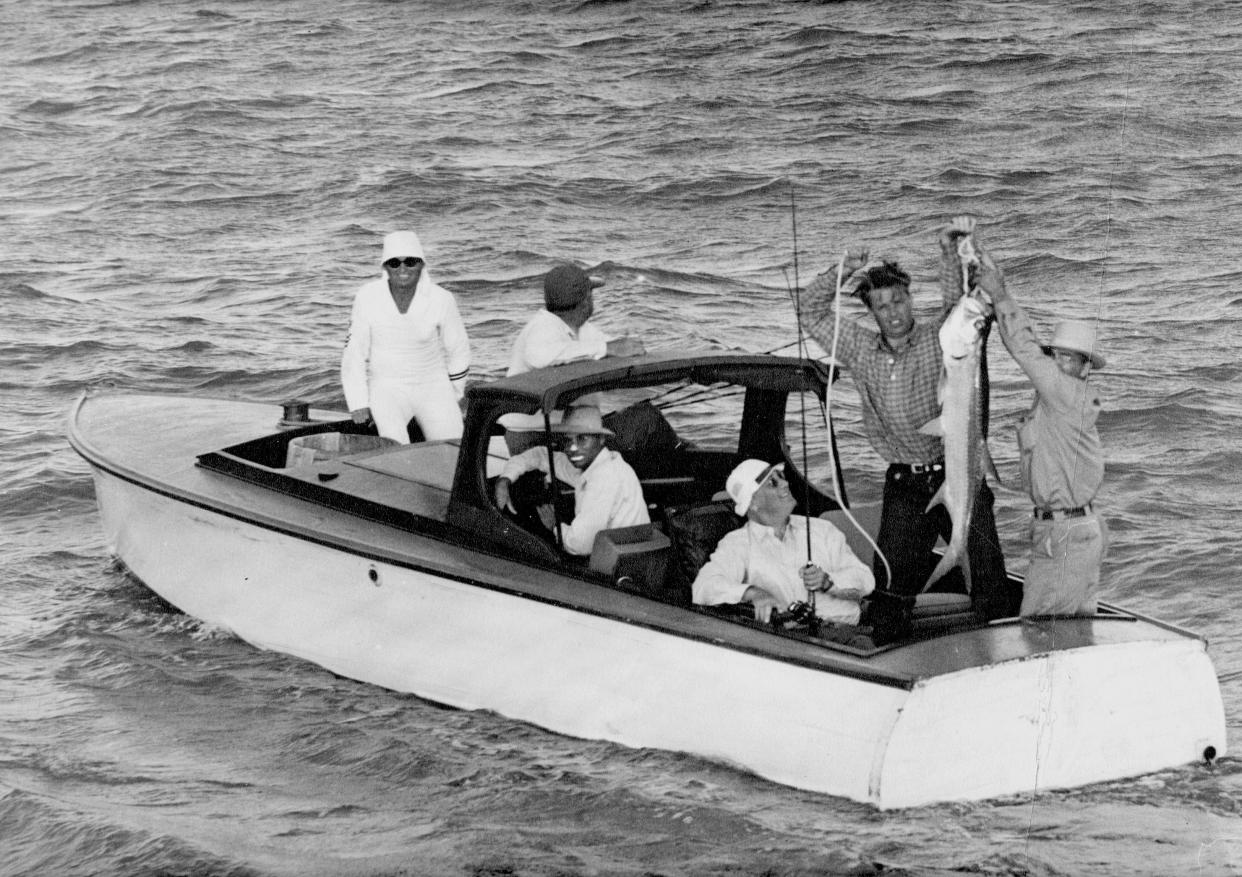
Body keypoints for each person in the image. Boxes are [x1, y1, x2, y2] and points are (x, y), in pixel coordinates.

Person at [799, 220, 1018, 621]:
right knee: (891, 590)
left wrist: (950, 248)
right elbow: (809, 310)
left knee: (991, 582)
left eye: (899, 301)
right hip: (905, 484)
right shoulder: (859, 347)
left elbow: (960, 307)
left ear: (910, 299)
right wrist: (844, 269)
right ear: (871, 311)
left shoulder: (942, 337)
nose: (893, 312)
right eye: (882, 306)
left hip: (960, 471)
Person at [974, 232, 1108, 617]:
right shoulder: (1054, 399)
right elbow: (1027, 350)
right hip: (1069, 531)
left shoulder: (1066, 393)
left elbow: (1025, 349)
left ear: (1085, 368)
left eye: (1071, 359)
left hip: (1065, 536)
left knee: (1037, 627)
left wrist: (1000, 295)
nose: (1061, 364)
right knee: (1073, 631)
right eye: (1058, 356)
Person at [692, 459, 875, 627]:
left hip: (855, 631)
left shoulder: (822, 528)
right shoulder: (737, 543)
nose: (785, 484)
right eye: (773, 483)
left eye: (781, 477)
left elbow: (865, 579)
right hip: (799, 641)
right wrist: (753, 593)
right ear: (753, 503)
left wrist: (829, 582)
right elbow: (704, 587)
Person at [340, 230, 471, 443]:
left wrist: (455, 393)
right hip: (386, 388)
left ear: (421, 265)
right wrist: (358, 402)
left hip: (433, 385)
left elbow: (459, 349)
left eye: (410, 262)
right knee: (395, 451)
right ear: (385, 267)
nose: (403, 269)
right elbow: (354, 352)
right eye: (394, 263)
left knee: (455, 449)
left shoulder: (442, 299)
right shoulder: (367, 297)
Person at [502, 265, 645, 452]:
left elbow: (611, 348)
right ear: (586, 301)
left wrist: (628, 348)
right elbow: (539, 356)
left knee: (644, 417)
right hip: (534, 437)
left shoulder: (582, 329)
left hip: (567, 429)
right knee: (646, 423)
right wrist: (606, 348)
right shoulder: (542, 327)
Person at [494, 405, 650, 556]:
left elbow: (579, 545)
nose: (572, 448)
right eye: (568, 441)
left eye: (582, 439)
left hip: (617, 567)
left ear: (601, 439)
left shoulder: (605, 478)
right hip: (621, 554)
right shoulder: (598, 463)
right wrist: (505, 479)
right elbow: (540, 455)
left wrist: (554, 525)